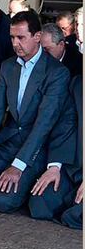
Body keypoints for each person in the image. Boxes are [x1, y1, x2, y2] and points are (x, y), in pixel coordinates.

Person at [0, 11, 70, 213]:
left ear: (37, 37)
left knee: (3, 202)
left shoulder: (57, 73)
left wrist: (18, 166)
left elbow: (44, 124)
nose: (15, 43)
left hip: (35, 148)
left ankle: (10, 184)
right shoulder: (7, 67)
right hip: (7, 142)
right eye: (12, 37)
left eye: (21, 37)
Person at [29, 76, 82, 229]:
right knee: (40, 205)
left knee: (76, 215)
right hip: (75, 167)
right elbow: (66, 124)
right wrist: (54, 167)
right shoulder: (78, 82)